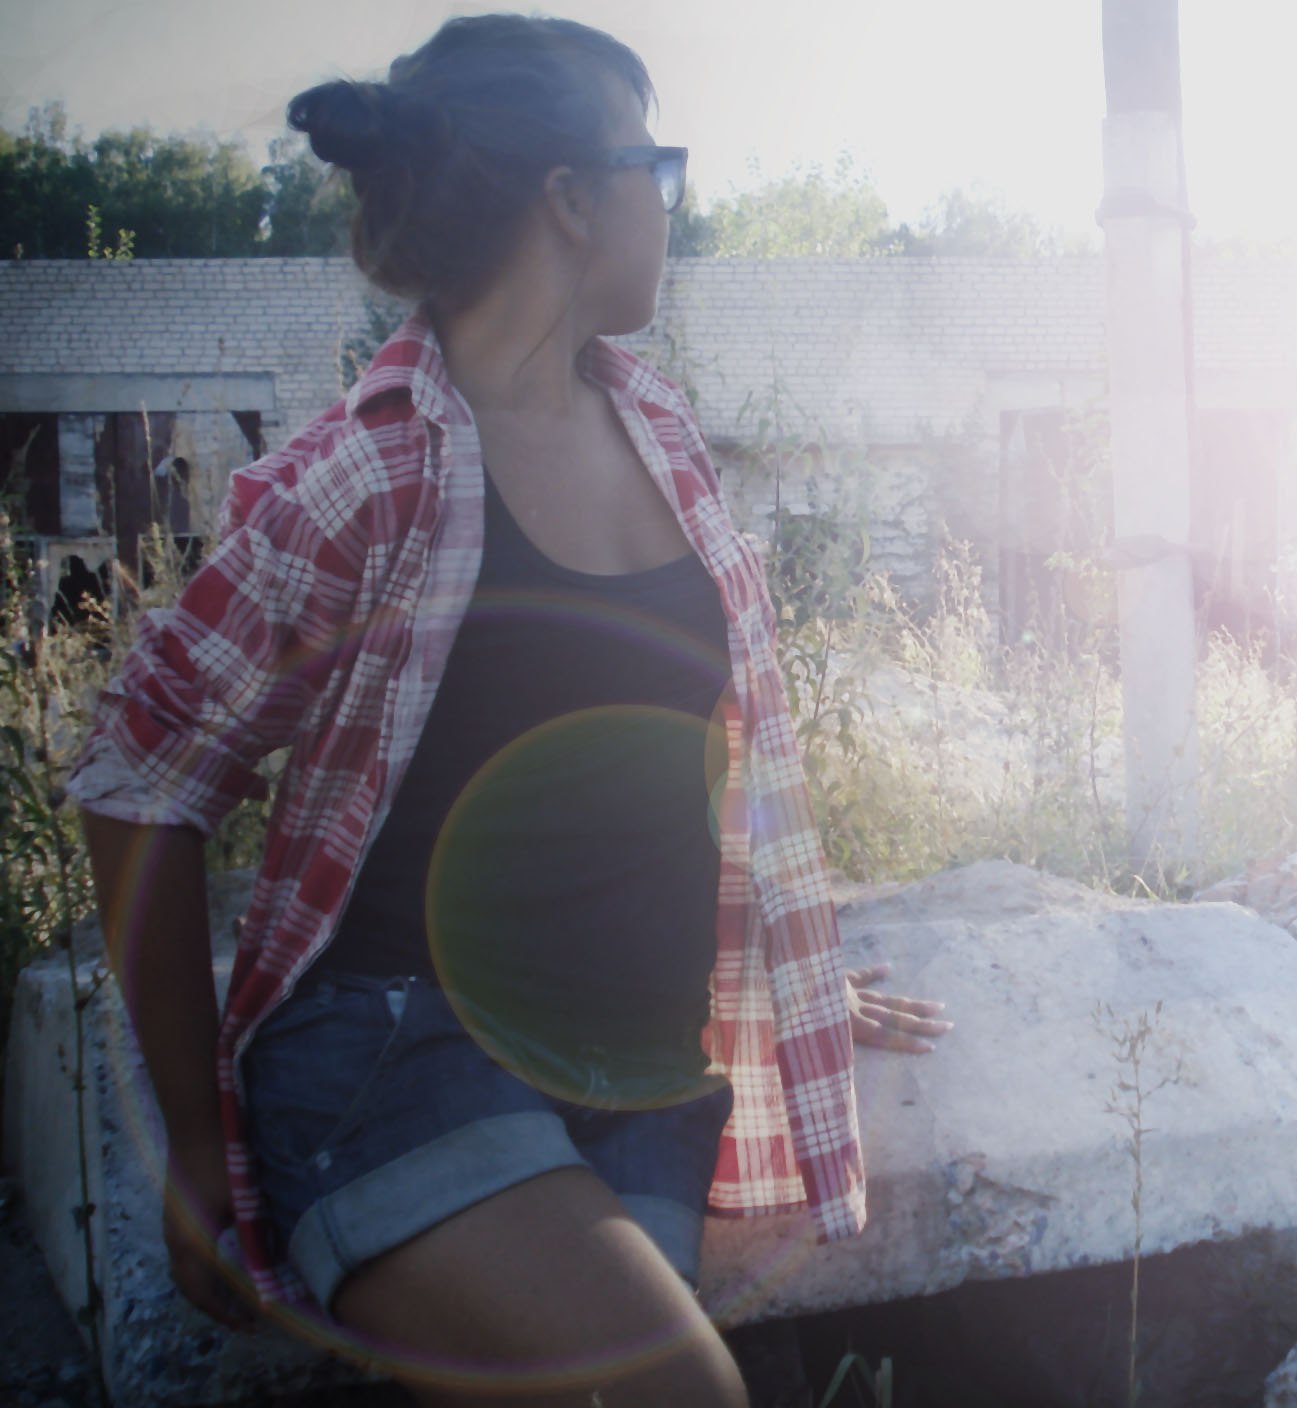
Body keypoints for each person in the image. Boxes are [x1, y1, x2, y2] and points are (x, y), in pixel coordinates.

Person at [70, 15, 949, 1406]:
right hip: (398, 1056)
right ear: (571, 198)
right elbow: (139, 772)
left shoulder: (661, 432)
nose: (673, 202)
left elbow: (660, 760)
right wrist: (189, 1140)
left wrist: (789, 969)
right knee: (681, 1395)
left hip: (636, 1074)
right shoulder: (371, 476)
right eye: (655, 165)